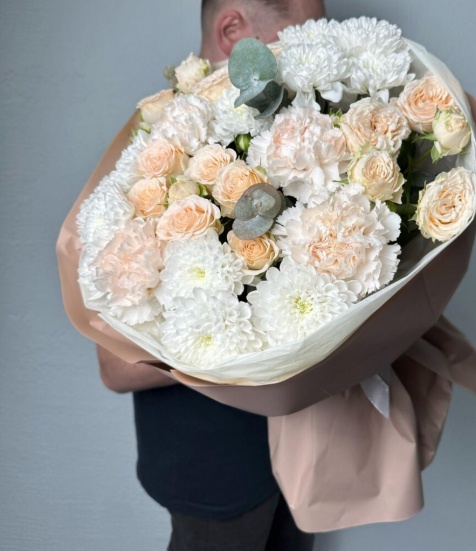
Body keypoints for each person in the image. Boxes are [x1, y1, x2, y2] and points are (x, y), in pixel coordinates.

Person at [97, 1, 326, 549]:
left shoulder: (295, 138)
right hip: (214, 472)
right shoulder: (149, 162)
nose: (318, 52)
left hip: (303, 457)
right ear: (232, 31)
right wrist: (272, 336)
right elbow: (117, 366)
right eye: (302, 35)